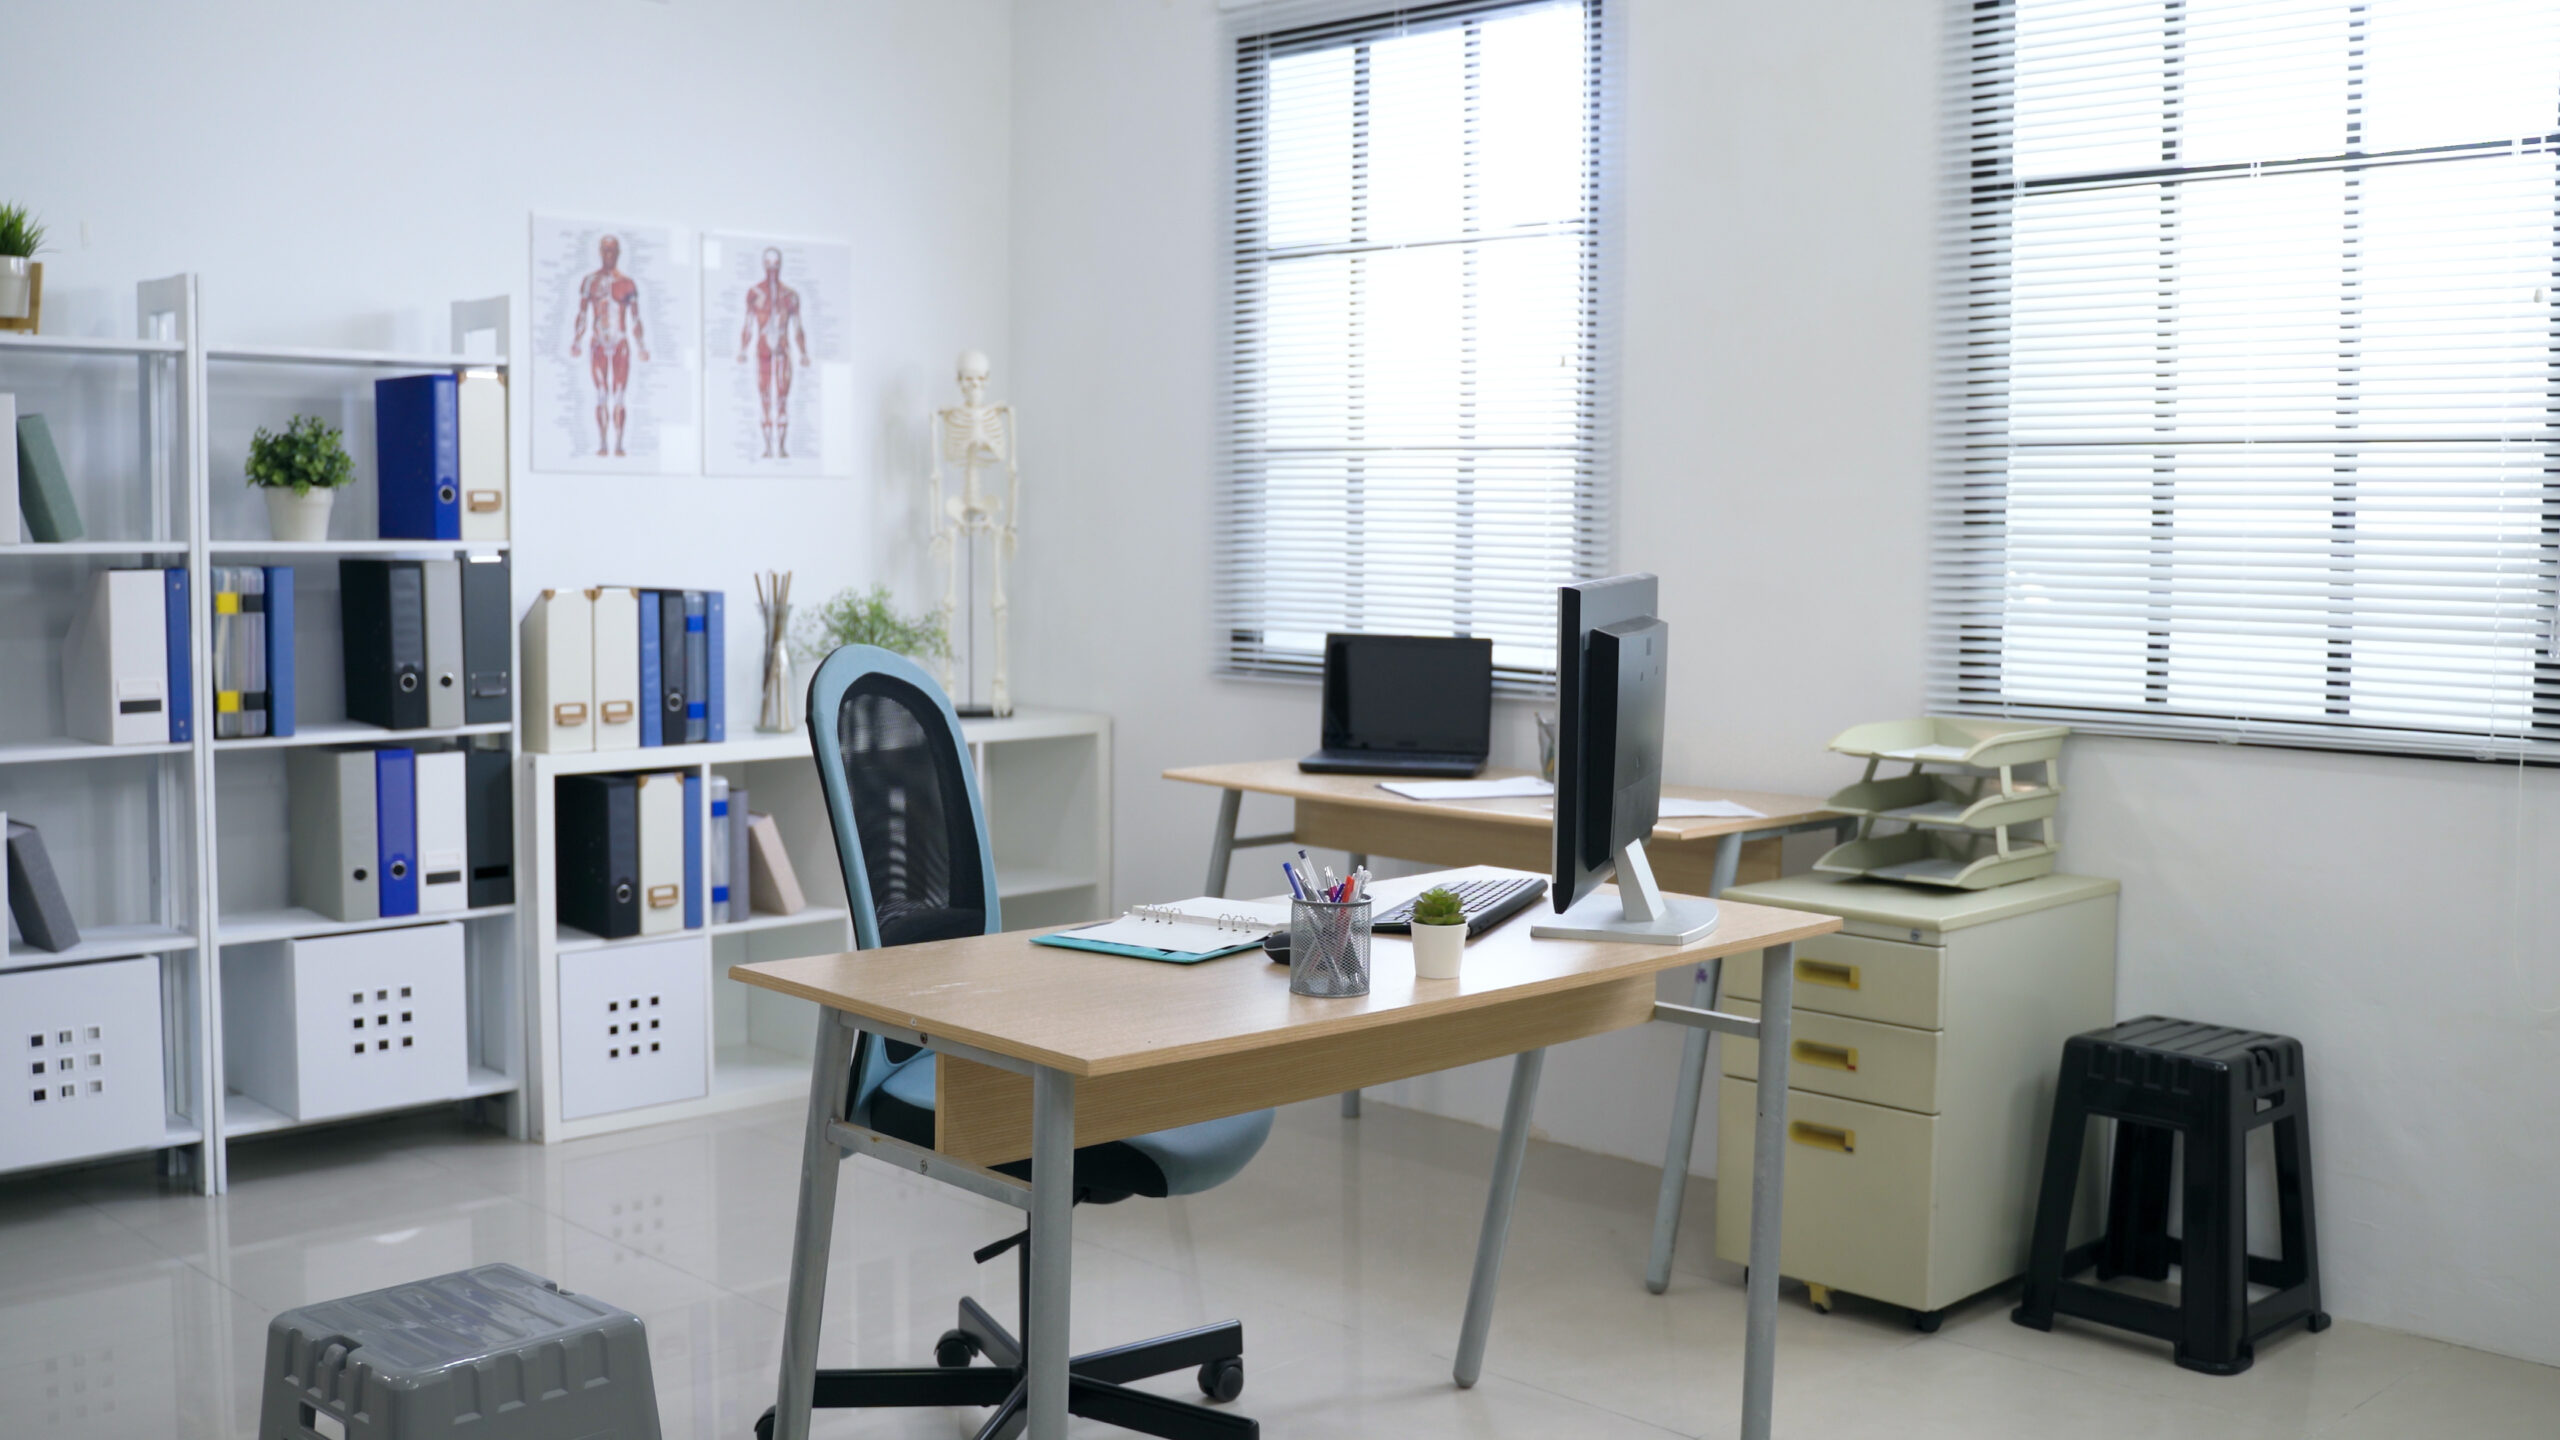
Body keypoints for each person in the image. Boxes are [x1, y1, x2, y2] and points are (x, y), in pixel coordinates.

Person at [569, 234, 650, 457]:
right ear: (600, 252)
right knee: (602, 393)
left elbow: (635, 318)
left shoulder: (627, 283)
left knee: (620, 395)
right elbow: (582, 313)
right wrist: (576, 340)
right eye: (605, 250)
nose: (609, 255)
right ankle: (603, 442)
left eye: (612, 250)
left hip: (620, 342)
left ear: (619, 253)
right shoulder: (590, 281)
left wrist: (641, 346)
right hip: (598, 342)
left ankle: (620, 444)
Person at [737, 247, 810, 458]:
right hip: (763, 353)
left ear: (780, 266)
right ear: (764, 265)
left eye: (775, 266)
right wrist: (742, 349)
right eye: (769, 266)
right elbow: (748, 325)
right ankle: (768, 447)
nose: (772, 271)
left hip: (783, 352)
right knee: (765, 398)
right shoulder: (755, 294)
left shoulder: (790, 296)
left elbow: (797, 327)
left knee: (782, 400)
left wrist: (803, 352)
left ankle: (782, 448)